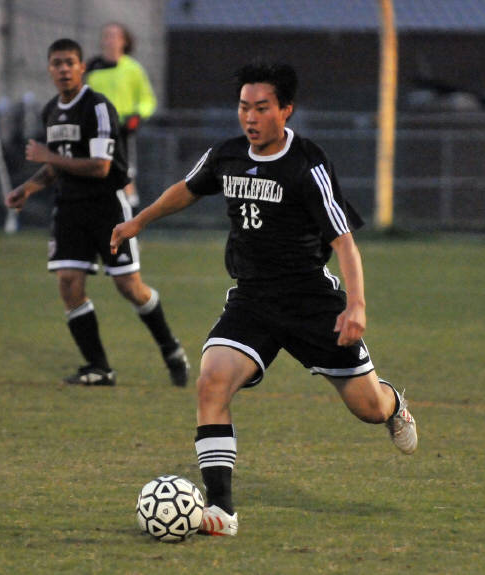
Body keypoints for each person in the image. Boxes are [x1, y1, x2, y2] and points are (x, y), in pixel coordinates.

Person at [111, 62, 418, 536]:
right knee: (211, 383)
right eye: (243, 108)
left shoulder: (308, 164)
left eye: (261, 108)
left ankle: (394, 404)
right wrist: (139, 220)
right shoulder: (228, 155)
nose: (250, 118)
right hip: (252, 301)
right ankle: (221, 511)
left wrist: (356, 304)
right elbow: (187, 191)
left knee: (368, 409)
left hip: (311, 304)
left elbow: (343, 242)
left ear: (285, 110)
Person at [5, 38, 189, 387]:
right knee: (68, 283)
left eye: (69, 63)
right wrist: (26, 189)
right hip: (69, 208)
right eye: (57, 63)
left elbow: (100, 166)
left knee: (129, 287)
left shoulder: (98, 107)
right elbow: (58, 164)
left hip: (106, 207)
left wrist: (49, 156)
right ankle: (99, 367)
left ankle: (171, 347)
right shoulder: (51, 111)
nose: (63, 69)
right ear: (49, 69)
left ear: (81, 68)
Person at [86, 22, 157, 210]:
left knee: (125, 174)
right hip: (95, 131)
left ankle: (132, 214)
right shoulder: (92, 68)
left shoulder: (132, 69)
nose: (110, 40)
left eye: (115, 36)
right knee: (94, 173)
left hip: (122, 130)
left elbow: (147, 100)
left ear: (124, 41)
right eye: (106, 36)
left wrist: (136, 117)